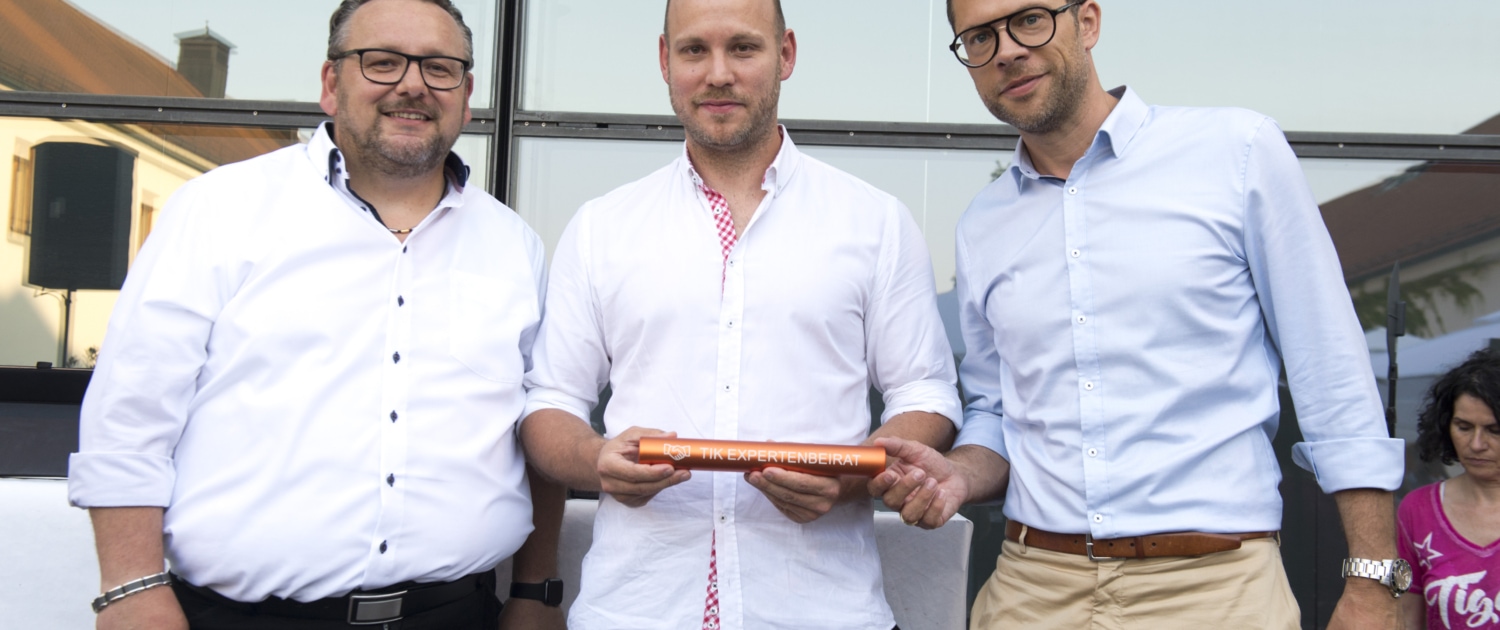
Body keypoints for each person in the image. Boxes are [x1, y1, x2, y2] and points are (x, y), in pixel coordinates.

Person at [870, 1, 1409, 628]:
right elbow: (997, 412)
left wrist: (1373, 581)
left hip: (1214, 590)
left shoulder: (1236, 152)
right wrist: (958, 475)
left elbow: (1331, 369)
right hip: (1032, 587)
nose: (1008, 50)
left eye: (1030, 19)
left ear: (1088, 22)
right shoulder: (982, 224)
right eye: (980, 37)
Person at [67, 1, 565, 628]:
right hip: (244, 619)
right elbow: (131, 412)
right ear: (332, 83)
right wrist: (130, 589)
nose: (412, 85)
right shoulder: (218, 210)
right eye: (382, 62)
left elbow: (540, 423)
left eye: (439, 68)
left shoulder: (514, 245)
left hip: (457, 615)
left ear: (466, 97)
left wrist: (535, 590)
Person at [515, 0, 962, 628]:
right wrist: (596, 459)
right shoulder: (601, 228)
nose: (718, 73)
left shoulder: (876, 222)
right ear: (665, 60)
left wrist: (850, 478)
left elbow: (926, 393)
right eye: (695, 50)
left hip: (819, 613)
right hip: (637, 610)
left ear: (786, 55)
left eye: (744, 48)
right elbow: (550, 403)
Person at [1399, 348, 1500, 629]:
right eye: (1464, 427)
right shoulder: (1418, 510)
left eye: (1494, 430)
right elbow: (1407, 618)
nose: (1476, 444)